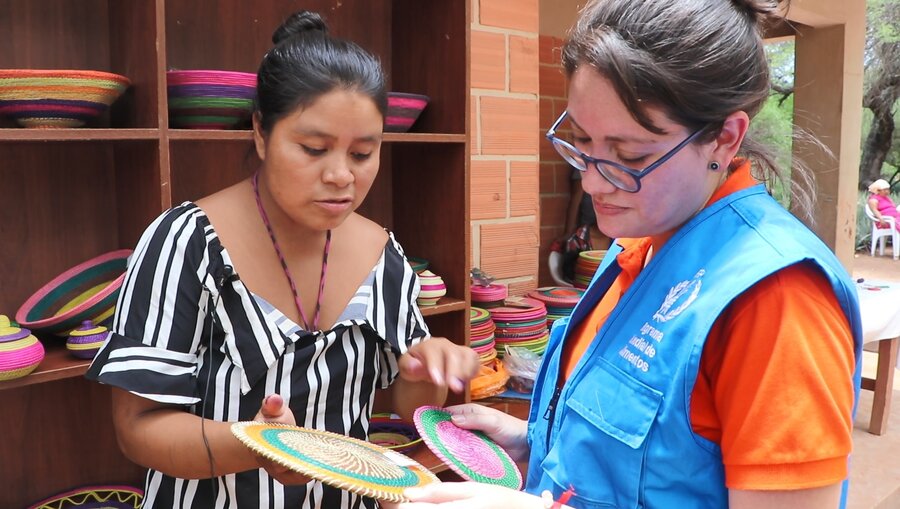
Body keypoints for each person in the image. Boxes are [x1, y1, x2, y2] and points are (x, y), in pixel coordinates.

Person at [390, 0, 862, 508]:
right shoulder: (641, 244)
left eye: (630, 156)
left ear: (725, 138)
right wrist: (539, 444)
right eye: (581, 142)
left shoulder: (777, 302)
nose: (592, 179)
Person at [86, 10, 479, 509]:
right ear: (260, 133)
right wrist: (259, 446)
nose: (341, 175)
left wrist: (422, 377)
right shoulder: (186, 244)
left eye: (363, 154)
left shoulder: (386, 256)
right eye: (314, 148)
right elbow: (137, 427)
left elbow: (405, 406)